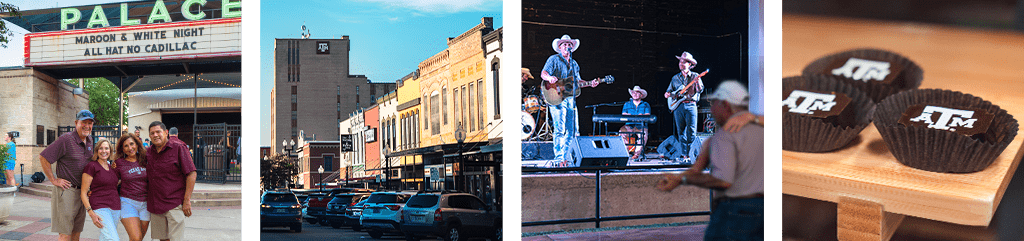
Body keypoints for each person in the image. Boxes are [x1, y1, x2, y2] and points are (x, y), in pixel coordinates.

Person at [657, 81, 763, 240]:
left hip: (735, 210)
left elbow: (723, 181)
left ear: (726, 105)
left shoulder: (722, 138)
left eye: (714, 104)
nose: (711, 109)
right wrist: (679, 178)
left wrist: (683, 179)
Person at [541, 34, 604, 166]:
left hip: (570, 98)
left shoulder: (574, 63)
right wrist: (550, 78)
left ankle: (567, 157)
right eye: (564, 44)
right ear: (559, 47)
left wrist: (590, 83)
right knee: (559, 129)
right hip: (556, 96)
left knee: (573, 129)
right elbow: (544, 73)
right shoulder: (553, 59)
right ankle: (559, 158)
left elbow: (577, 80)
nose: (567, 46)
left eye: (569, 45)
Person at [39, 110, 95, 241]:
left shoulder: (90, 140)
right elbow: (44, 157)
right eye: (84, 122)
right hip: (67, 191)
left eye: (90, 123)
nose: (87, 126)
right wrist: (53, 180)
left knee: (77, 232)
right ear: (76, 123)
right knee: (65, 233)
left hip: (82, 193)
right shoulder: (66, 139)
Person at [147, 121, 197, 241]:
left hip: (174, 204)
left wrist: (187, 200)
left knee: (175, 239)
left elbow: (191, 173)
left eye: (158, 131)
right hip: (156, 204)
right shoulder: (149, 152)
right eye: (152, 133)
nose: (155, 135)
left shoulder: (178, 148)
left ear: (166, 132)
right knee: (163, 239)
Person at [663, 52, 704, 162]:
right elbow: (669, 92)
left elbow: (700, 90)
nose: (681, 64)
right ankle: (684, 155)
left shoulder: (695, 76)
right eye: (680, 61)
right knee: (681, 132)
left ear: (690, 64)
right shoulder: (675, 78)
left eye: (684, 62)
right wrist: (667, 94)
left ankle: (692, 154)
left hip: (691, 105)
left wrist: (696, 83)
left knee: (691, 131)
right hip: (679, 106)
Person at [80, 140, 121, 241]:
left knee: (105, 238)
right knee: (113, 239)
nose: (104, 151)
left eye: (106, 148)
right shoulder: (91, 166)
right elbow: (83, 193)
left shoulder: (112, 168)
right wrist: (90, 212)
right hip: (100, 206)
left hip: (115, 207)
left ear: (110, 151)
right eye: (101, 148)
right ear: (97, 151)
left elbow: (113, 185)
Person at [115, 134, 149, 241]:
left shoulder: (146, 160)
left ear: (137, 144)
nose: (130, 148)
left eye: (131, 144)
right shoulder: (119, 163)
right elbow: (110, 181)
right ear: (122, 149)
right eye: (126, 146)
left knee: (138, 238)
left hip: (146, 204)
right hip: (128, 202)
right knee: (135, 237)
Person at [620, 86, 651, 160]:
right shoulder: (627, 104)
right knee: (621, 132)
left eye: (637, 93)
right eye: (633, 92)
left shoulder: (646, 104)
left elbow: (647, 115)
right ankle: (625, 153)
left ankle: (636, 154)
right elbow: (623, 114)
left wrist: (642, 116)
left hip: (641, 126)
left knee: (644, 135)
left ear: (641, 95)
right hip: (629, 125)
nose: (635, 94)